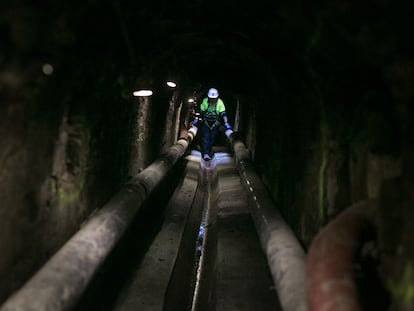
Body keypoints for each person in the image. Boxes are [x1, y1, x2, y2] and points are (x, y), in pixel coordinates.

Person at [196, 87, 232, 161]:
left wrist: (226, 123)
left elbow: (223, 113)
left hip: (215, 123)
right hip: (206, 122)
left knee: (212, 138)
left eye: (214, 98)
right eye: (211, 98)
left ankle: (208, 151)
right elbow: (201, 112)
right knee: (206, 137)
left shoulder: (220, 102)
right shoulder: (205, 101)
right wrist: (198, 120)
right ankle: (205, 153)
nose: (212, 100)